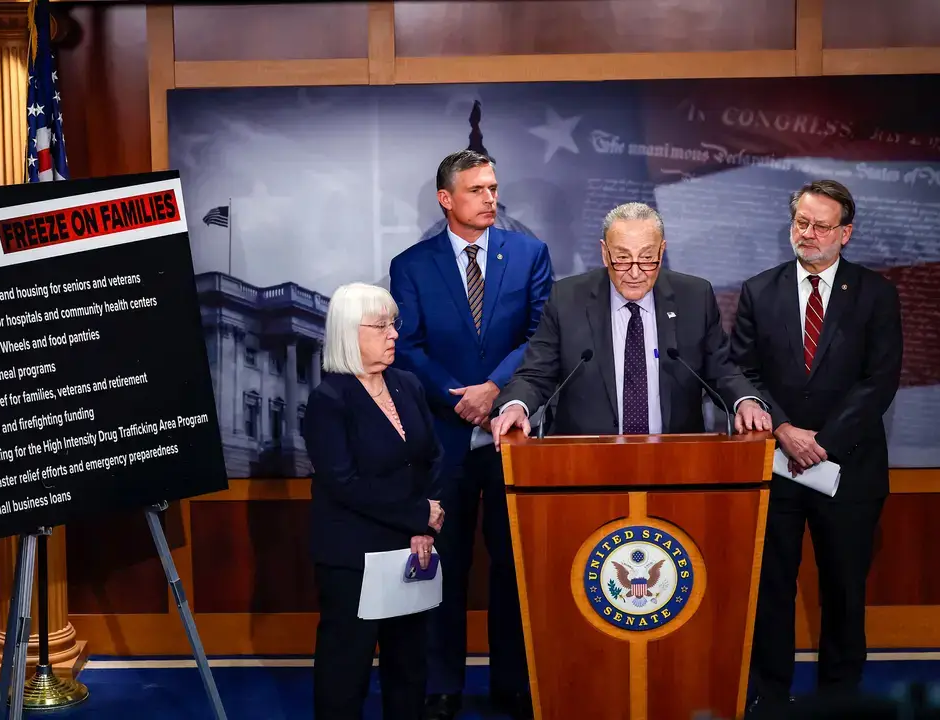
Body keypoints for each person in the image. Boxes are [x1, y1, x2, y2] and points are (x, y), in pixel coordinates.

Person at [389, 149, 553, 720]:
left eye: (494, 188)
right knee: (445, 565)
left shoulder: (529, 254)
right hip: (443, 438)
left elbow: (541, 335)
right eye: (478, 189)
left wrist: (494, 390)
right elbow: (406, 348)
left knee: (514, 566)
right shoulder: (410, 265)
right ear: (446, 199)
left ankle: (514, 681)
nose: (491, 198)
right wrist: (462, 397)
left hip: (512, 435)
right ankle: (441, 685)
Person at [729, 180, 903, 717]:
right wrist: (783, 430)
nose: (808, 234)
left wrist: (822, 444)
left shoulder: (875, 293)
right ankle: (770, 696)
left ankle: (839, 699)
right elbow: (742, 369)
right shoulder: (760, 290)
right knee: (771, 592)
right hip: (776, 467)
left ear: (845, 234)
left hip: (848, 469)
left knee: (844, 595)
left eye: (821, 225)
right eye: (801, 222)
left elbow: (880, 380)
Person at [491, 201, 771, 443]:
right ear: (604, 252)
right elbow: (536, 373)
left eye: (647, 258)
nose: (635, 272)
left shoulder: (694, 297)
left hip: (676, 460)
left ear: (662, 252)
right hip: (584, 463)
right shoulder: (567, 298)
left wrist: (745, 400)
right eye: (622, 258)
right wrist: (517, 406)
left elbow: (722, 370)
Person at [303, 282, 447, 720]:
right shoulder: (328, 400)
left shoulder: (407, 384)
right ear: (350, 332)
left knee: (409, 666)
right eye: (381, 325)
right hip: (353, 558)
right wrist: (417, 515)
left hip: (412, 550)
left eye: (393, 324)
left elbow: (433, 459)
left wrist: (423, 528)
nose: (394, 335)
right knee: (346, 672)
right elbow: (345, 483)